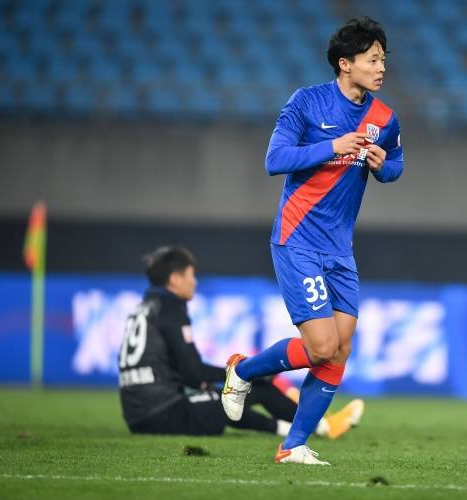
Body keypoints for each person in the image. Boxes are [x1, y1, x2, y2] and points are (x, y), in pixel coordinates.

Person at [221, 17, 403, 465]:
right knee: (321, 346)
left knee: (340, 349)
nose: (381, 68)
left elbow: (397, 164)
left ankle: (293, 446)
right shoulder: (307, 102)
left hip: (340, 248)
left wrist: (383, 166)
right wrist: (333, 146)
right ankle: (243, 371)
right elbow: (275, 159)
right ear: (345, 63)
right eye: (372, 59)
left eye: (383, 59)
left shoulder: (384, 118)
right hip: (297, 239)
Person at [118, 245, 363, 438]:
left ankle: (287, 429)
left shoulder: (144, 308)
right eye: (191, 274)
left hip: (139, 416)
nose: (195, 281)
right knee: (253, 388)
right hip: (165, 413)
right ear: (175, 279)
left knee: (229, 397)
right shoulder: (171, 309)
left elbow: (181, 372)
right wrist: (240, 375)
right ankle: (323, 427)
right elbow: (193, 373)